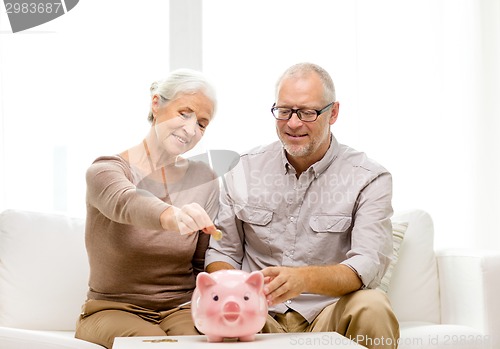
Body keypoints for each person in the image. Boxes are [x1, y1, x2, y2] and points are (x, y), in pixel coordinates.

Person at [205, 62, 400, 349]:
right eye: (284, 111)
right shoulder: (243, 169)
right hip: (257, 314)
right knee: (218, 311)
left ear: (333, 113)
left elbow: (366, 264)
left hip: (329, 311)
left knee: (373, 305)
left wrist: (303, 279)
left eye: (307, 112)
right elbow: (222, 252)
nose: (293, 123)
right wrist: (240, 292)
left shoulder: (369, 177)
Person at [75, 68, 220, 349]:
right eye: (184, 113)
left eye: (202, 123)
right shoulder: (106, 170)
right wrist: (171, 215)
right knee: (151, 345)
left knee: (205, 343)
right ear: (157, 104)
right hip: (111, 309)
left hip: (180, 309)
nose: (191, 129)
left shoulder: (205, 180)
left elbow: (202, 263)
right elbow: (126, 202)